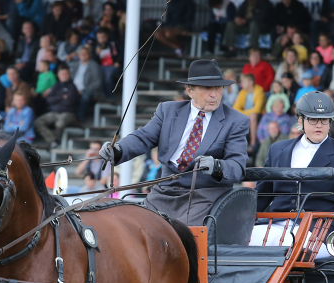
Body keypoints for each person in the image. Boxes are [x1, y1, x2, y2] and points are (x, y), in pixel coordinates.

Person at [98, 59, 248, 224]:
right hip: (164, 192)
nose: (214, 94)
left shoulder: (236, 121)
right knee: (135, 229)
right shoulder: (167, 110)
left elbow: (238, 166)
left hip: (205, 196)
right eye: (206, 88)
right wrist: (117, 149)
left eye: (218, 87)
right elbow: (143, 137)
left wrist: (217, 166)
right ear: (189, 91)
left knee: (179, 236)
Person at [252, 91, 334, 255]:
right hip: (274, 225)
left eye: (325, 120)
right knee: (241, 241)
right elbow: (261, 196)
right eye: (313, 119)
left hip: (318, 231)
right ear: (300, 120)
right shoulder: (277, 150)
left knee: (289, 247)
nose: (319, 125)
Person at [34, 64, 79, 148]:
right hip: (54, 112)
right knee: (38, 122)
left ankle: (58, 144)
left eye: (65, 73)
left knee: (59, 124)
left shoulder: (72, 86)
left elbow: (69, 101)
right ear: (58, 75)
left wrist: (57, 98)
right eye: (62, 74)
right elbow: (49, 100)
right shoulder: (56, 85)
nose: (64, 76)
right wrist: (62, 96)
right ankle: (54, 141)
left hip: (68, 113)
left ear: (69, 74)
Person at [69, 46, 103, 122]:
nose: (83, 55)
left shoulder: (94, 65)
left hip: (88, 90)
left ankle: (79, 118)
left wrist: (83, 90)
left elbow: (98, 82)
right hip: (74, 89)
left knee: (85, 96)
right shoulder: (74, 65)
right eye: (81, 53)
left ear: (89, 54)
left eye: (85, 53)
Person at [233, 73, 266, 150]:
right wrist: (244, 114)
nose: (242, 84)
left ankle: (253, 143)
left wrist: (243, 113)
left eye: (244, 82)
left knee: (252, 116)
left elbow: (257, 109)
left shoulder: (259, 90)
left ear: (251, 82)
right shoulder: (242, 92)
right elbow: (235, 108)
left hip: (260, 115)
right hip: (247, 115)